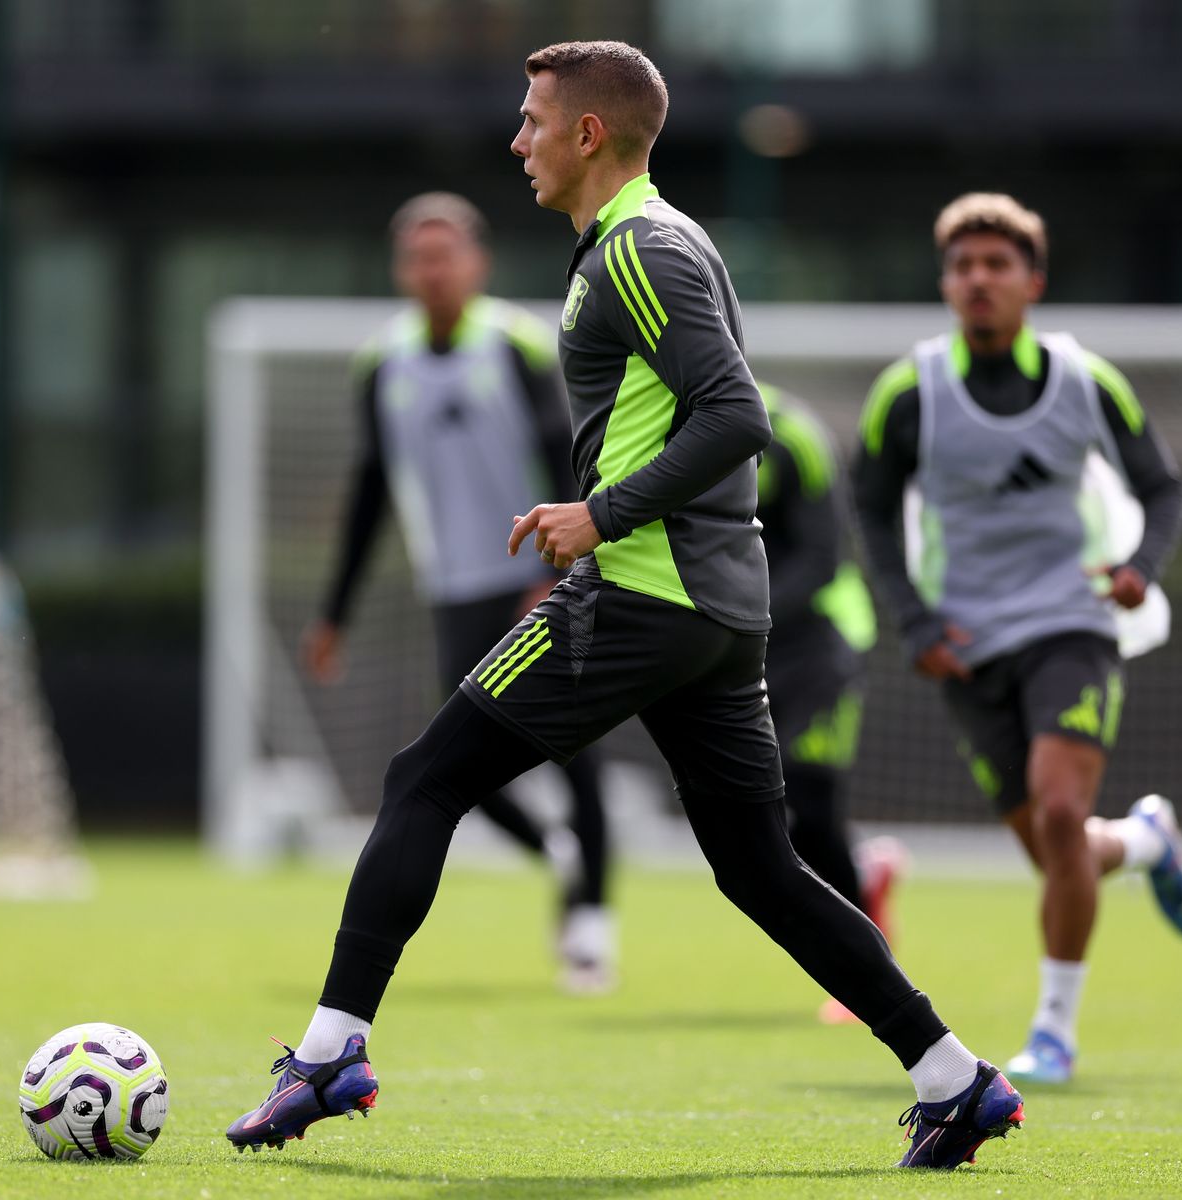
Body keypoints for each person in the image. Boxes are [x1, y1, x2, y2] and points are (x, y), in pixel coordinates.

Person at [226, 42, 1023, 1171]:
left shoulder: (640, 248)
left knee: (424, 779)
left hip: (643, 596)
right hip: (708, 612)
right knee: (759, 869)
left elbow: (736, 413)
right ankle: (956, 1080)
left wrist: (600, 516)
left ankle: (326, 1054)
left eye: (532, 120)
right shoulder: (642, 243)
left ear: (588, 133)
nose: (518, 141)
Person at [853, 193, 1182, 1086]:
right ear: (946, 282)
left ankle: (1053, 1032)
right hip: (966, 645)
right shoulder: (908, 392)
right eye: (963, 266)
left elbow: (1163, 489)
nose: (978, 279)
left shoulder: (1086, 382)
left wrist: (1138, 567)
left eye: (996, 265)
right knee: (1062, 852)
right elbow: (867, 507)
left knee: (1057, 816)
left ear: (1032, 282)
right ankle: (1148, 841)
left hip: (1072, 625)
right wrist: (914, 621)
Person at [302, 192, 615, 990]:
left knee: (575, 746)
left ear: (478, 263)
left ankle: (589, 924)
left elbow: (568, 458)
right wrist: (334, 613)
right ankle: (558, 855)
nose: (433, 270)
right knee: (459, 760)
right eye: (418, 256)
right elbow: (372, 489)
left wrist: (556, 571)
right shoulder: (382, 362)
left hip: (534, 578)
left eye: (447, 254)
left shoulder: (516, 346)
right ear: (402, 269)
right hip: (454, 589)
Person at [754, 382, 909, 1024]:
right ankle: (864, 877)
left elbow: (822, 561)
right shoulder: (666, 431)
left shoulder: (791, 436)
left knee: (812, 802)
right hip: (744, 645)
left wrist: (736, 609)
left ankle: (861, 973)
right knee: (762, 810)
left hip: (820, 639)